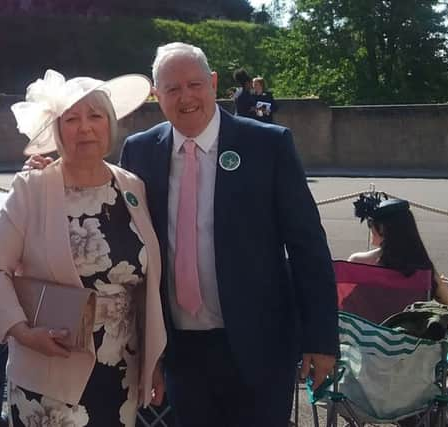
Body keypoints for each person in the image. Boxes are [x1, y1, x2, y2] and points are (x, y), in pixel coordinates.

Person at [119, 42, 338, 427]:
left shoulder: (268, 145)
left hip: (260, 347)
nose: (185, 97)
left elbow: (308, 247)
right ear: (157, 94)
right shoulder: (139, 152)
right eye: (172, 88)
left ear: (214, 83)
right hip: (181, 351)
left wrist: (320, 339)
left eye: (194, 84)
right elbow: (125, 246)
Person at [0, 69, 166, 426]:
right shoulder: (32, 187)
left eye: (95, 116)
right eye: (72, 119)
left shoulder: (132, 187)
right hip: (49, 363)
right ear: (57, 130)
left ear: (110, 125)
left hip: (120, 370)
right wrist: (20, 330)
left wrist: (153, 361)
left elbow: (146, 286)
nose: (85, 127)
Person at [349, 194, 448, 317]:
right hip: (410, 333)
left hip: (369, 332)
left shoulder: (359, 262)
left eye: (370, 224)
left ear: (382, 228)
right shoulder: (424, 267)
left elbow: (348, 306)